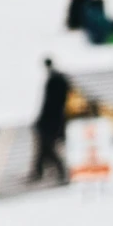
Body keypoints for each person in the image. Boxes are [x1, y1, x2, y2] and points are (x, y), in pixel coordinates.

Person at [31, 57, 71, 185]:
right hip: (51, 120)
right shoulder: (58, 80)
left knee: (47, 147)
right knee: (44, 148)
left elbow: (50, 105)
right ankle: (38, 172)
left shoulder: (55, 81)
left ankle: (60, 173)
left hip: (51, 122)